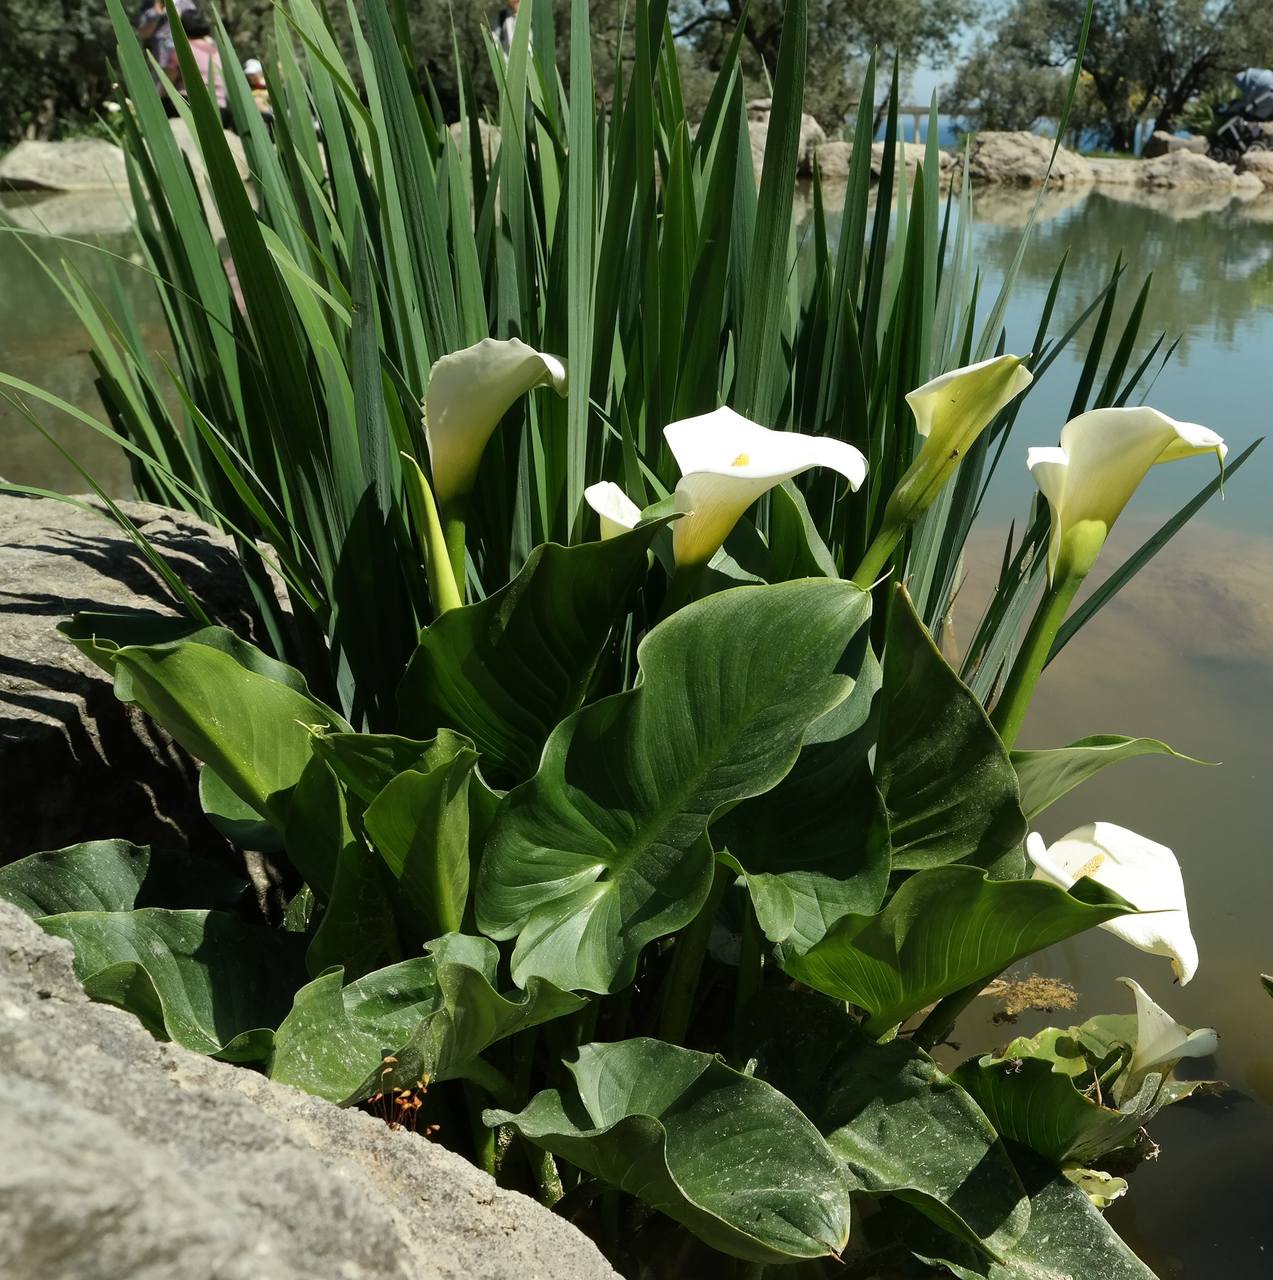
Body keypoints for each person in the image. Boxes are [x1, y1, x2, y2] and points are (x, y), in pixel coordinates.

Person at [163, 8, 230, 122]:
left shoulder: (182, 49)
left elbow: (167, 83)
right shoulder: (217, 51)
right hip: (220, 110)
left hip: (191, 106)